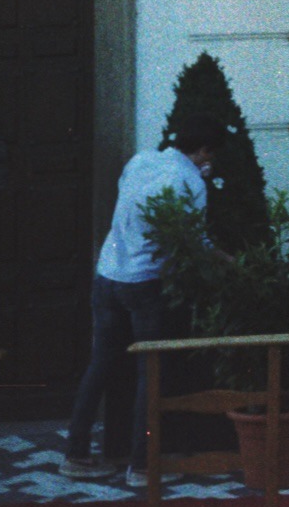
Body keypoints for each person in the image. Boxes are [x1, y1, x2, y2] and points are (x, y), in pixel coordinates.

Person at [60, 113, 221, 486]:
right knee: (150, 373)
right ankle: (143, 465)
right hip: (145, 282)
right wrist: (227, 262)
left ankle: (76, 455)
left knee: (99, 365)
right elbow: (193, 242)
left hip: (108, 273)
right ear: (204, 150)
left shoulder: (141, 159)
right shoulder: (191, 181)